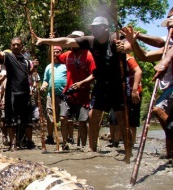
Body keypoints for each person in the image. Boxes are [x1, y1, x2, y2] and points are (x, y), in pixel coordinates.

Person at [35, 16, 132, 162]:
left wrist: (124, 47)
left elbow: (130, 43)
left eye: (96, 27)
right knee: (93, 116)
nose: (93, 29)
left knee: (121, 119)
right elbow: (67, 42)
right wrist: (44, 40)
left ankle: (128, 152)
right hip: (101, 83)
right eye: (92, 27)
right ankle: (92, 150)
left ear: (105, 28)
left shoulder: (115, 37)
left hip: (117, 83)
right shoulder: (90, 41)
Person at [122, 22, 173, 158]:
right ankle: (170, 155)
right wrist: (134, 41)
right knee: (168, 122)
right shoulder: (168, 44)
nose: (169, 28)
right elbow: (144, 56)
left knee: (158, 109)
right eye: (168, 26)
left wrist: (165, 61)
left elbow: (159, 43)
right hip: (168, 87)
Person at [0, 37, 36, 151]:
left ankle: (29, 142)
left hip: (25, 92)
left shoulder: (26, 60)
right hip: (12, 92)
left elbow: (27, 73)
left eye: (18, 45)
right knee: (11, 119)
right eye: (14, 45)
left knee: (27, 119)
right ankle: (13, 144)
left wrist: (34, 67)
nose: (16, 46)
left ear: (22, 46)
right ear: (11, 46)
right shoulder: (9, 56)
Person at [57, 30, 96, 149]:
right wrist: (52, 44)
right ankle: (64, 143)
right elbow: (55, 58)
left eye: (77, 39)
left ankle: (84, 146)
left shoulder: (89, 55)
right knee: (63, 118)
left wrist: (82, 83)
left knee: (82, 122)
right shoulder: (67, 54)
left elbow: (95, 74)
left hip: (83, 94)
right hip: (68, 93)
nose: (74, 42)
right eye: (72, 39)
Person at [40, 46, 67, 148]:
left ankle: (64, 141)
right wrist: (43, 85)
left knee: (63, 118)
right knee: (50, 116)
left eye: (58, 52)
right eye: (54, 52)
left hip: (63, 95)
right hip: (50, 95)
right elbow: (46, 80)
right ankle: (50, 136)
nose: (55, 54)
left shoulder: (65, 66)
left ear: (61, 53)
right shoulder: (49, 66)